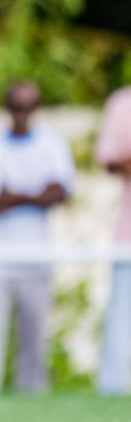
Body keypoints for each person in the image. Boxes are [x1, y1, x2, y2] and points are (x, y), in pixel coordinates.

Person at [0, 81, 73, 393]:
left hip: (36, 257)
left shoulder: (52, 144)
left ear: (37, 109)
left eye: (28, 106)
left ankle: (33, 403)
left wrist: (11, 194)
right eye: (16, 106)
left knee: (35, 342)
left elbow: (60, 192)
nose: (22, 113)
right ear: (7, 108)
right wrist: (35, 195)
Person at [94, 83, 131, 394]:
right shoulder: (122, 103)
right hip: (128, 237)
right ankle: (113, 392)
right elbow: (111, 160)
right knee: (121, 327)